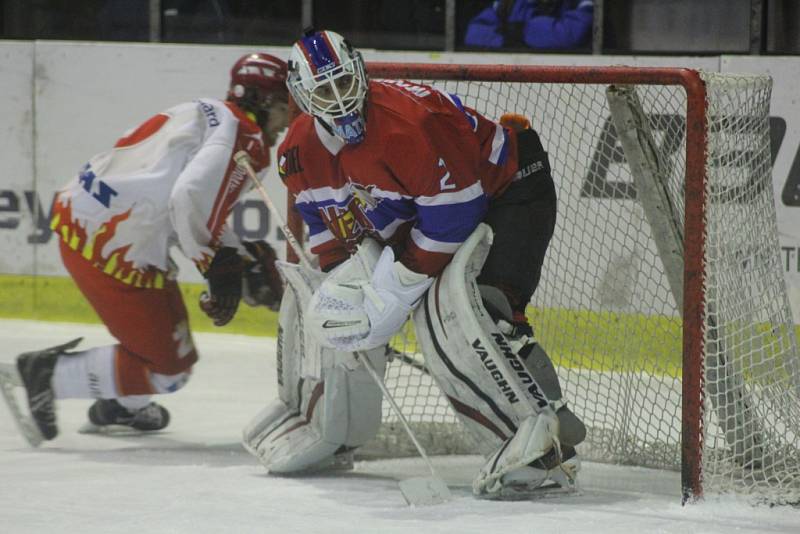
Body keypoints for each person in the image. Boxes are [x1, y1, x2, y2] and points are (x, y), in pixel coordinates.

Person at [245, 29, 585, 499]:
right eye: (325, 91)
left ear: (360, 72)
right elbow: (331, 237)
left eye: (345, 83)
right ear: (302, 95)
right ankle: (319, 419)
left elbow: (454, 219)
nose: (341, 100)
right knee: (351, 311)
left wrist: (393, 292)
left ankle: (541, 437)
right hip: (437, 209)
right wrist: (354, 293)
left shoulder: (406, 126)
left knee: (476, 307)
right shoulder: (297, 156)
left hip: (508, 189)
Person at [13, 52, 288, 442]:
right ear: (261, 102)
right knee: (171, 370)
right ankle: (49, 376)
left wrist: (236, 254)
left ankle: (124, 407)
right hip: (109, 250)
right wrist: (217, 264)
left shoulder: (206, 111)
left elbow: (177, 201)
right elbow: (187, 197)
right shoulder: (247, 138)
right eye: (284, 107)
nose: (289, 121)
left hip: (88, 221)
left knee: (172, 345)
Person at [464, 0, 594, 50]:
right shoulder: (510, 3)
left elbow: (569, 36)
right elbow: (474, 34)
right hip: (513, 83)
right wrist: (507, 37)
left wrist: (523, 31)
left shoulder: (579, 3)